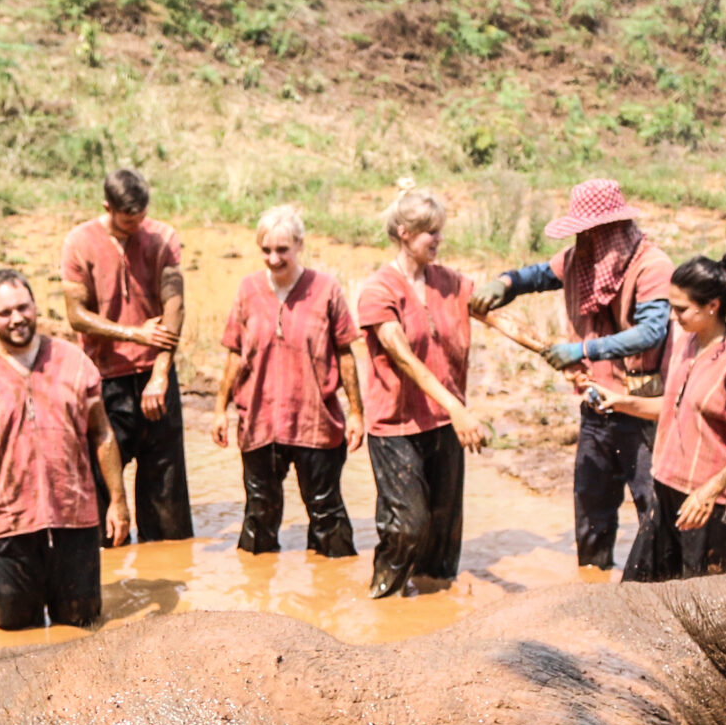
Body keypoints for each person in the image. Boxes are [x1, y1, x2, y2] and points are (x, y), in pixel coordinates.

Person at [470, 178, 675, 569]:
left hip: (642, 409)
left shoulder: (651, 266)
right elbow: (538, 276)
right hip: (596, 405)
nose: (583, 239)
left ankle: (664, 591)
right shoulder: (579, 261)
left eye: (589, 231)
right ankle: (593, 587)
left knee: (654, 507)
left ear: (609, 228)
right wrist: (506, 283)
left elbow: (651, 331)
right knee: (592, 510)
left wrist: (582, 350)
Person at [0, 268, 129, 630]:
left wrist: (119, 502)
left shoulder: (75, 363)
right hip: (5, 527)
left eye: (23, 308)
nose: (17, 319)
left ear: (35, 305)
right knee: (16, 641)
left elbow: (102, 434)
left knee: (84, 631)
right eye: (5, 312)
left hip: (74, 518)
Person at [212, 205, 365, 559]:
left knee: (327, 514)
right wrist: (219, 409)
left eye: (282, 250)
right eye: (266, 250)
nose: (274, 258)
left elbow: (345, 353)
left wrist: (356, 413)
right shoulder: (248, 289)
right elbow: (235, 352)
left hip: (315, 421)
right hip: (260, 421)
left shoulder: (325, 290)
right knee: (258, 515)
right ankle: (255, 605)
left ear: (299, 245)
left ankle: (334, 595)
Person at [355, 183, 485, 596]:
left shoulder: (451, 282)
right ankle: (384, 595)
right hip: (396, 424)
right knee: (407, 524)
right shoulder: (378, 289)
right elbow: (404, 359)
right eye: (431, 232)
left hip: (444, 421)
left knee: (444, 526)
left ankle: (434, 606)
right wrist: (459, 408)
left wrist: (556, 352)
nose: (439, 240)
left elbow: (496, 316)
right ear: (405, 233)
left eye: (440, 231)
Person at [612, 254, 726, 583]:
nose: (673, 315)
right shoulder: (686, 343)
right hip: (667, 488)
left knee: (700, 609)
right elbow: (674, 408)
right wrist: (620, 402)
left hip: (709, 504)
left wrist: (709, 491)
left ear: (712, 305)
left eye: (681, 309)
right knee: (637, 594)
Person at [59, 168, 193, 542]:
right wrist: (134, 333)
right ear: (108, 207)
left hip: (154, 376)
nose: (137, 226)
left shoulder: (163, 238)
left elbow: (175, 307)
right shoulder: (79, 242)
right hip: (103, 378)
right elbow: (76, 315)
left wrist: (161, 373)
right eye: (128, 219)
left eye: (141, 218)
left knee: (166, 497)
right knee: (102, 500)